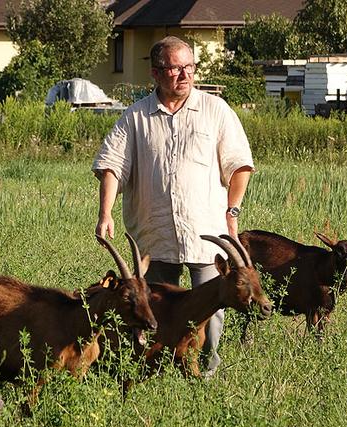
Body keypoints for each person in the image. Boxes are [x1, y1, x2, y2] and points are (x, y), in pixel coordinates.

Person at [92, 36, 254, 377]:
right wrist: (105, 212)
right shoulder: (136, 117)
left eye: (188, 68)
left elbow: (239, 165)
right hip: (154, 233)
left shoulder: (215, 111)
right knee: (153, 308)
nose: (183, 75)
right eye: (173, 68)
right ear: (155, 73)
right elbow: (112, 166)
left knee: (214, 309)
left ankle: (205, 374)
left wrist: (233, 211)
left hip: (206, 234)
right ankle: (154, 373)